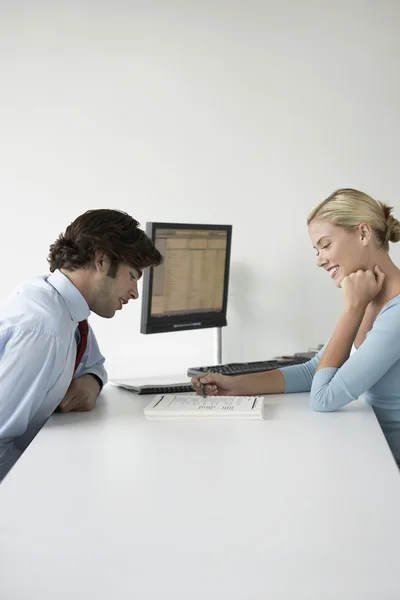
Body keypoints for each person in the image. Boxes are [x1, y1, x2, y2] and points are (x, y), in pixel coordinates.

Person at [192, 188, 400, 467]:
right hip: (374, 455)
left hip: (389, 469)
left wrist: (352, 309)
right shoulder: (372, 298)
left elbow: (324, 397)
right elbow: (314, 370)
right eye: (317, 250)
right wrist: (235, 385)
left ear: (363, 234)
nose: (319, 259)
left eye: (326, 245)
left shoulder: (391, 310)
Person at [0, 209, 162, 480]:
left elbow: (95, 363)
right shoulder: (45, 329)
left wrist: (91, 381)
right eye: (133, 276)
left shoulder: (62, 305)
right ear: (101, 260)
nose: (135, 293)